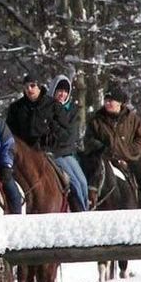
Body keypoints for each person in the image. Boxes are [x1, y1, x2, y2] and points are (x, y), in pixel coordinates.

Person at [83, 83, 141, 208]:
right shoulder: (96, 120)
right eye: (106, 100)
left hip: (129, 160)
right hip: (103, 159)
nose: (108, 103)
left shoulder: (133, 119)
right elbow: (88, 139)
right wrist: (102, 149)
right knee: (90, 180)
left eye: (111, 100)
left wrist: (129, 152)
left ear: (120, 102)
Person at [48, 75, 89, 212]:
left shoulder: (72, 110)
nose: (62, 94)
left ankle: (86, 211)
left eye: (65, 91)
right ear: (53, 90)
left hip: (68, 152)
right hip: (54, 153)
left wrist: (55, 129)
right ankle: (79, 212)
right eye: (59, 90)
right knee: (75, 183)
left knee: (83, 182)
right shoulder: (45, 108)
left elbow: (71, 135)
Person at [5, 69, 67, 152]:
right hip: (23, 152)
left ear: (39, 87)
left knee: (68, 165)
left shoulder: (53, 105)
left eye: (32, 86)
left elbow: (66, 131)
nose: (29, 89)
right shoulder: (16, 107)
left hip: (49, 152)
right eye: (26, 87)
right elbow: (9, 131)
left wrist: (52, 138)